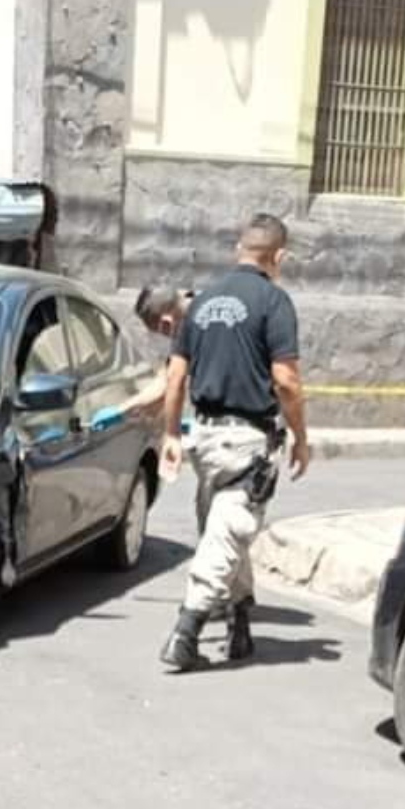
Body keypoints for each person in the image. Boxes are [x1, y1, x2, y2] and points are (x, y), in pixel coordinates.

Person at [156, 213, 311, 672]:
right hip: (247, 440)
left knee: (224, 529)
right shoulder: (275, 301)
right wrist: (302, 437)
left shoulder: (202, 302)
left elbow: (175, 377)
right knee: (226, 532)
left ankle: (240, 622)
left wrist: (171, 433)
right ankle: (186, 631)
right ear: (279, 256)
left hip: (204, 437)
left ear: (237, 250)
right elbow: (287, 381)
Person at [89, 284, 197, 432]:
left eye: (163, 334)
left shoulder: (203, 329)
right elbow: (166, 381)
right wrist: (120, 411)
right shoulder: (199, 317)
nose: (170, 338)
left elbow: (169, 384)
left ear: (166, 324)